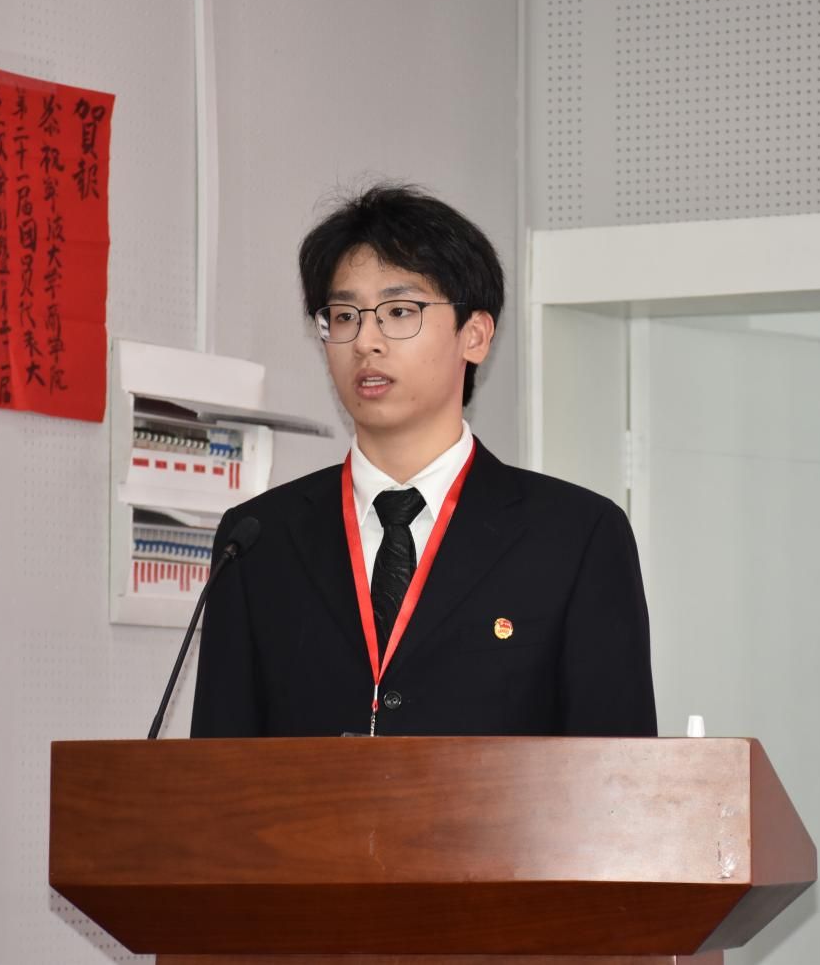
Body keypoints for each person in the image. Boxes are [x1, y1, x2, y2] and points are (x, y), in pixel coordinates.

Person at [190, 184, 657, 737]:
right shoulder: (257, 540)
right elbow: (217, 766)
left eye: (398, 311)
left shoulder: (576, 536)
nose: (365, 341)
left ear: (475, 336)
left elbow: (619, 770)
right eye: (344, 316)